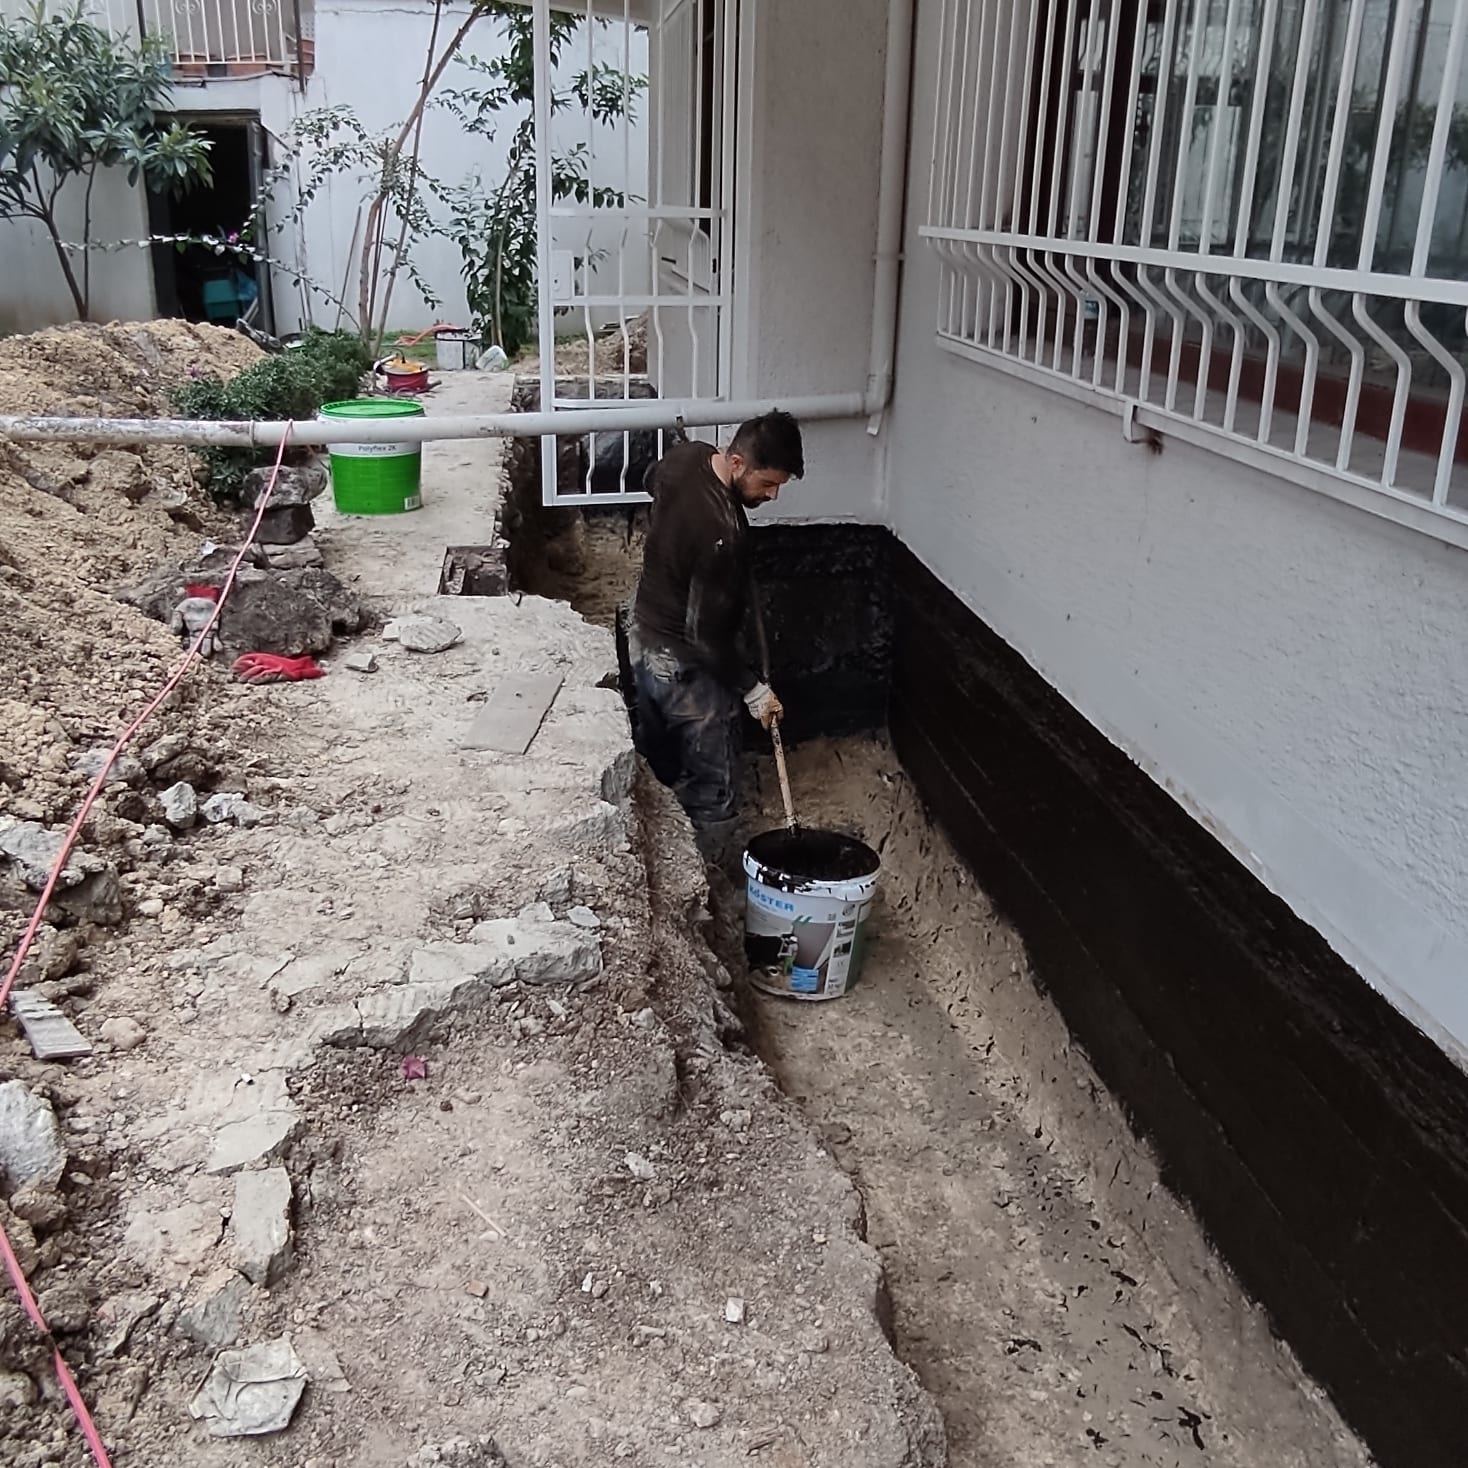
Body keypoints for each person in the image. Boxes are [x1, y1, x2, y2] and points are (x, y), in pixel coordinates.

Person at [627, 410, 804, 862]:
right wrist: (754, 690)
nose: (773, 495)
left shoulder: (688, 458)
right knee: (715, 786)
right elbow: (705, 638)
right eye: (767, 484)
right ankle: (705, 880)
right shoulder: (723, 531)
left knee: (658, 754)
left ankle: (660, 855)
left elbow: (652, 479)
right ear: (739, 463)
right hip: (684, 665)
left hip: (643, 635)